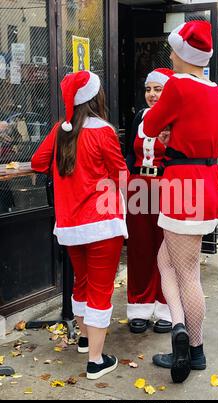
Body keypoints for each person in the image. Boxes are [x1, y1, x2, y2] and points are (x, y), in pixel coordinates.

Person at [140, 21, 218, 383]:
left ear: (184, 54)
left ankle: (194, 347)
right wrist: (174, 133)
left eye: (173, 50)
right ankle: (180, 327)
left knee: (186, 270)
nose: (171, 56)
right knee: (168, 261)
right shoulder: (216, 92)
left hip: (183, 188)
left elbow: (148, 127)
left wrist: (165, 133)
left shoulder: (177, 86)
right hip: (208, 184)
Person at [31, 71, 129, 380]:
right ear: (97, 98)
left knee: (82, 282)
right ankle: (96, 361)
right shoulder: (104, 132)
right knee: (100, 290)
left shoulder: (62, 130)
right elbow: (121, 174)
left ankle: (86, 339)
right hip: (102, 224)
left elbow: (37, 162)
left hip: (71, 225)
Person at [126, 68, 174, 334]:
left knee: (166, 249)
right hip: (137, 188)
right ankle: (139, 305)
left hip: (167, 187)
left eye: (158, 89)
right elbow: (129, 155)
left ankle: (166, 306)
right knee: (140, 248)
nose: (152, 95)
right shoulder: (139, 117)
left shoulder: (177, 117)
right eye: (148, 89)